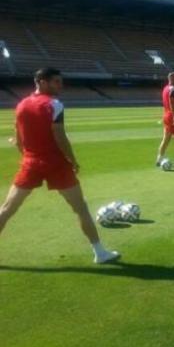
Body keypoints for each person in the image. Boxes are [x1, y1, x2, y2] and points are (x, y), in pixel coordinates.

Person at [0, 68, 120, 264]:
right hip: (56, 163)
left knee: (7, 208)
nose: (60, 86)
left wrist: (26, 155)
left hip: (31, 162)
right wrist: (72, 160)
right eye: (56, 82)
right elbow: (60, 137)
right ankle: (100, 253)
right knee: (81, 208)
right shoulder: (54, 104)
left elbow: (18, 138)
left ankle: (100, 252)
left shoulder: (21, 105)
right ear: (41, 82)